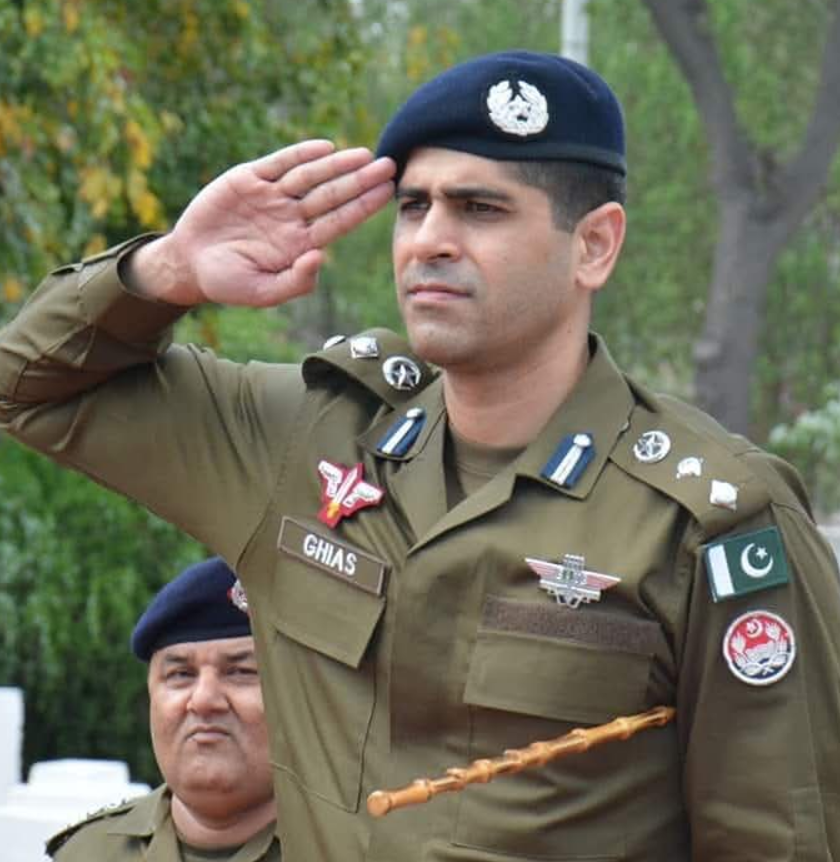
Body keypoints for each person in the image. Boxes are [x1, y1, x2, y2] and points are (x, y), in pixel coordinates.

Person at [1, 49, 838, 861]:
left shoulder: (710, 521)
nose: (428, 241)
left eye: (480, 209)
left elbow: (783, 838)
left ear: (594, 246)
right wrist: (167, 270)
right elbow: (29, 390)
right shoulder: (306, 439)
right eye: (413, 207)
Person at [46, 557, 280, 862]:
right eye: (181, 674)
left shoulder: (337, 846)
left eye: (240, 671)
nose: (203, 700)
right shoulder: (88, 854)